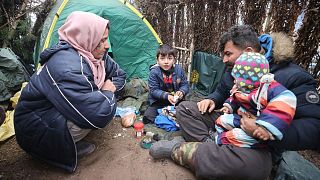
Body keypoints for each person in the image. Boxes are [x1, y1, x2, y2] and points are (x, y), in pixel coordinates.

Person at [149, 25, 320, 179]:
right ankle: (211, 145)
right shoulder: (234, 69)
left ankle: (178, 150)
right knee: (185, 108)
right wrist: (212, 100)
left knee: (255, 169)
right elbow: (222, 91)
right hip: (231, 121)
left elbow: (314, 127)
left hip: (260, 144)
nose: (223, 60)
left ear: (247, 51)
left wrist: (263, 129)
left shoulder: (293, 76)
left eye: (228, 54)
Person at [14, 11, 126, 172]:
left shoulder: (93, 54)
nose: (107, 45)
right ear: (85, 37)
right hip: (33, 130)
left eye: (106, 39)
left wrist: (104, 95)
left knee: (98, 106)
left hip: (50, 115)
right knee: (95, 114)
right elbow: (98, 115)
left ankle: (64, 140)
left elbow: (119, 75)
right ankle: (56, 149)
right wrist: (107, 93)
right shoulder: (67, 66)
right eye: (101, 40)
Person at [215, 52, 296, 148]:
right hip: (242, 119)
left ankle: (220, 143)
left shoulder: (268, 90)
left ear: (247, 80)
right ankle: (220, 139)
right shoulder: (243, 88)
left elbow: (283, 104)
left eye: (237, 79)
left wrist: (265, 127)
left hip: (257, 128)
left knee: (235, 136)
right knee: (221, 121)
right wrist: (229, 106)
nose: (234, 81)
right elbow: (235, 97)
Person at [143, 44, 189, 124]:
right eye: (162, 58)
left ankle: (170, 112)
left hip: (175, 100)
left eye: (169, 58)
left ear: (174, 60)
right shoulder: (154, 72)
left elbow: (185, 84)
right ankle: (165, 113)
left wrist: (181, 92)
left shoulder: (179, 70)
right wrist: (167, 96)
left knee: (187, 111)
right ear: (157, 60)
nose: (166, 62)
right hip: (158, 100)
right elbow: (153, 90)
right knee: (148, 117)